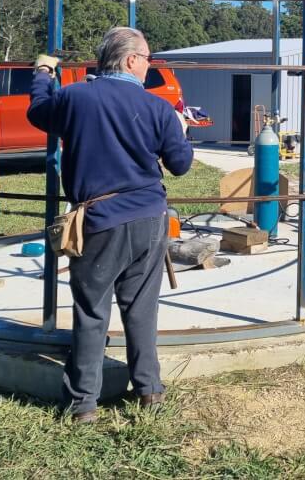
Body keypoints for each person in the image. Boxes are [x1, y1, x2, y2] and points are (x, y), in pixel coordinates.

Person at [27, 27, 192, 424]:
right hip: (150, 219)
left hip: (100, 221)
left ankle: (83, 404)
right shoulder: (157, 108)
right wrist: (181, 132)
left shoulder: (75, 97)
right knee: (141, 308)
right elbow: (181, 165)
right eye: (148, 59)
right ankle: (149, 389)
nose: (150, 66)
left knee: (91, 310)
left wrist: (44, 75)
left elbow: (38, 112)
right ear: (131, 60)